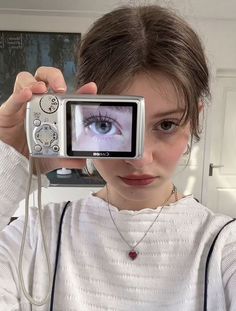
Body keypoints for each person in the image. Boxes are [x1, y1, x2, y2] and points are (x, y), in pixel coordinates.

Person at [0, 4, 235, 311]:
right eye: (106, 124)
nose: (140, 159)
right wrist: (10, 161)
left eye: (166, 125)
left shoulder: (223, 247)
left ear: (195, 122)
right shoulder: (35, 238)